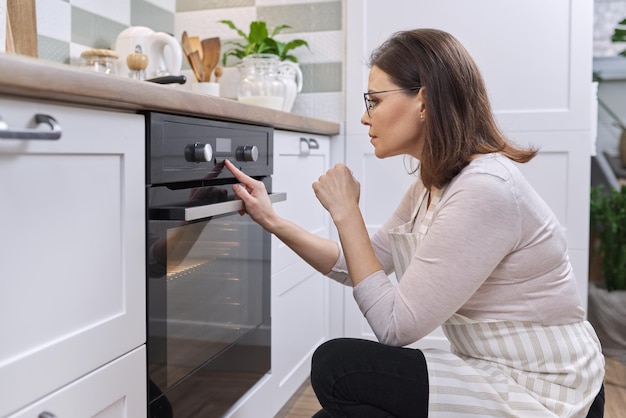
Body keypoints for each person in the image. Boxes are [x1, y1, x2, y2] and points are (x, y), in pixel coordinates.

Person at [224, 28, 605, 418]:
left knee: (336, 365)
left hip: (546, 388)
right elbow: (356, 262)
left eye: (373, 101)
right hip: (490, 370)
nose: (363, 115)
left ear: (423, 100)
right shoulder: (431, 185)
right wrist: (271, 219)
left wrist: (346, 213)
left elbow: (395, 327)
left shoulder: (485, 188)